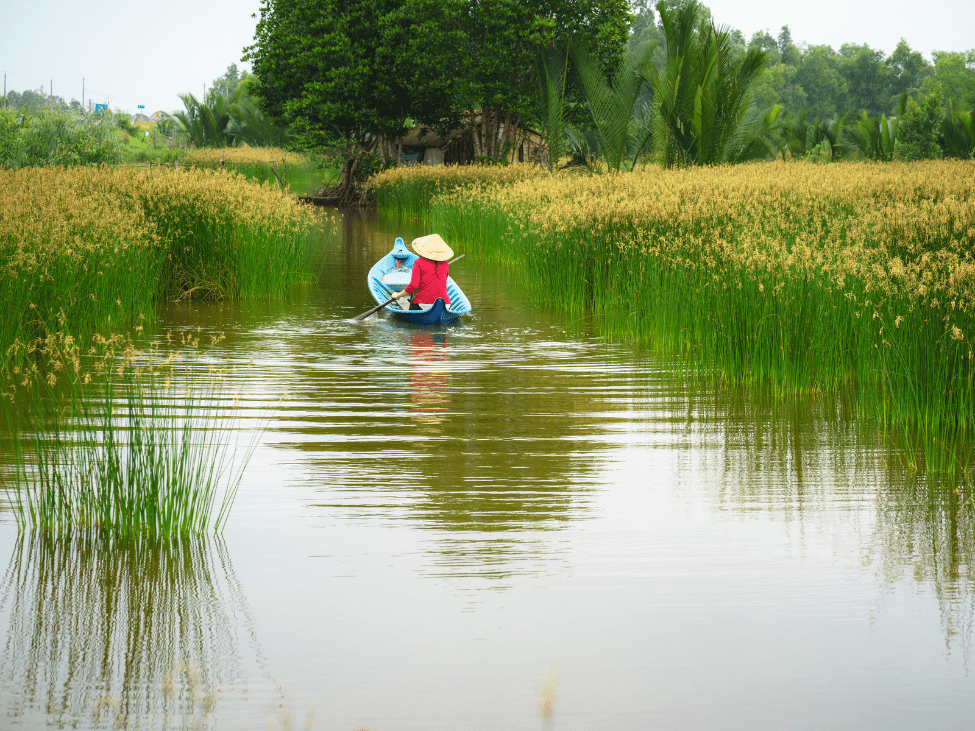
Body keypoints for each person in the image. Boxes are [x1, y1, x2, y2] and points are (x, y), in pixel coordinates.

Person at [390, 234, 453, 310]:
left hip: (423, 305)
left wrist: (398, 295)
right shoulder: (445, 263)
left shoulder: (418, 262)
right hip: (445, 304)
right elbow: (443, 283)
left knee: (414, 290)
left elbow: (413, 285)